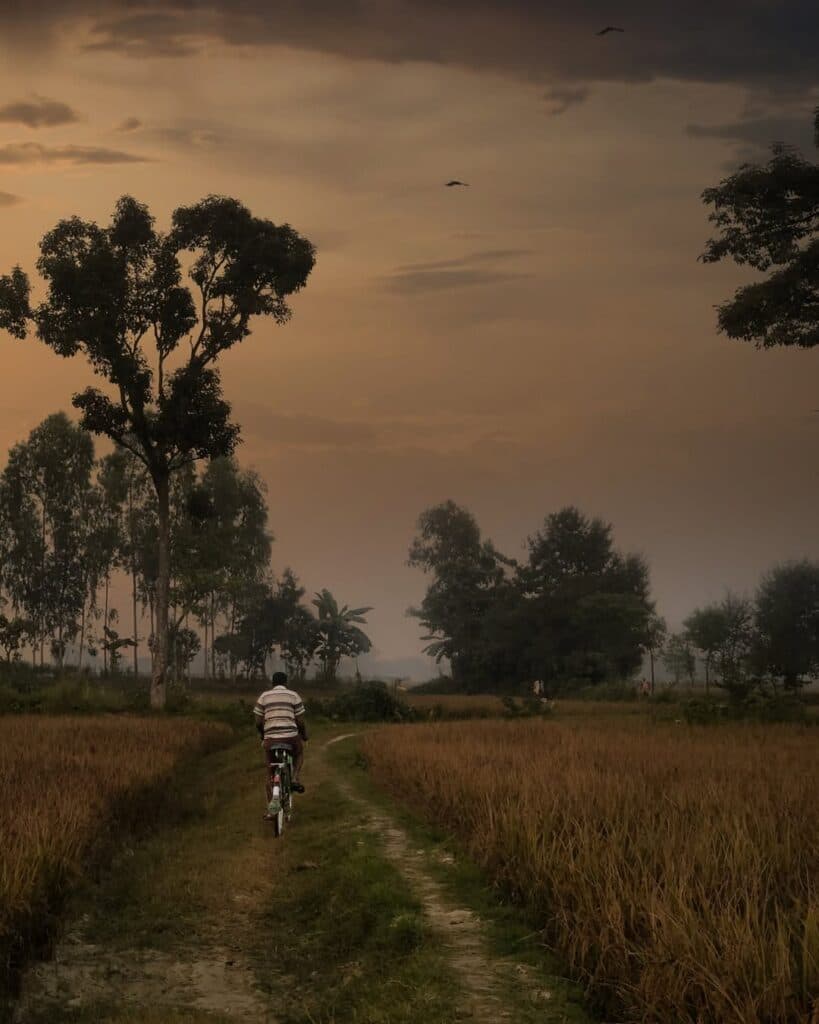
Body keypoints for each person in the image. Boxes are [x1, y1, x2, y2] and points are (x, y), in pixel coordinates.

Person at [253, 672, 308, 814]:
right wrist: (304, 735)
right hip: (291, 737)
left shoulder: (264, 697)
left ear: (272, 683)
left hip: (270, 739)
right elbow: (300, 722)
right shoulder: (293, 695)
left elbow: (258, 721)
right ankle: (294, 778)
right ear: (286, 683)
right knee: (299, 753)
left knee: (270, 771)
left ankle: (272, 808)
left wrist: (263, 734)